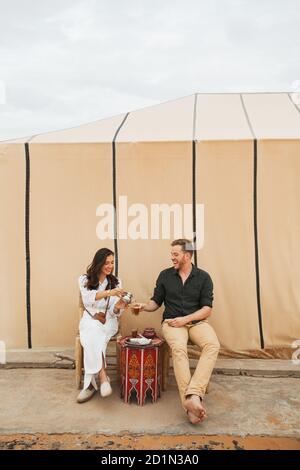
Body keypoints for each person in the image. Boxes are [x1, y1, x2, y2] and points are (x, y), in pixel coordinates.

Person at [132, 239, 220, 424]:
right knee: (179, 349)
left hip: (196, 322)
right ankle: (191, 405)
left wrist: (186, 320)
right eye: (171, 254)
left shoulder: (204, 277)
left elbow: (207, 309)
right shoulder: (165, 275)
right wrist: (143, 306)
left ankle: (193, 395)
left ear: (187, 256)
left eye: (175, 254)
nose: (171, 257)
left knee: (212, 345)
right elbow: (156, 302)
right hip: (172, 323)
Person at [77, 248, 127, 403]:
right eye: (106, 263)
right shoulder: (84, 280)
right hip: (90, 319)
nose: (110, 266)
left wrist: (119, 306)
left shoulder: (116, 281)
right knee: (93, 329)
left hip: (108, 321)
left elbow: (114, 312)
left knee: (95, 331)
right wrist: (109, 293)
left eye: (112, 262)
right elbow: (88, 299)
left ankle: (90, 386)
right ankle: (103, 377)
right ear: (98, 262)